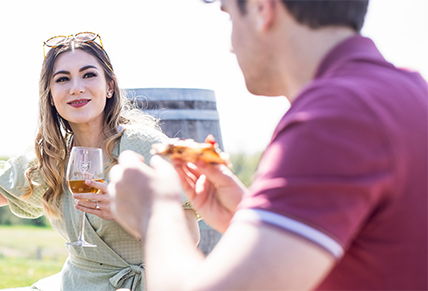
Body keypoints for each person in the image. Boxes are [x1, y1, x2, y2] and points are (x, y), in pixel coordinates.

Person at [107, 0, 428, 290]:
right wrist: (246, 216)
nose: (231, 46)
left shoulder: (335, 118)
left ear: (262, 8)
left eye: (229, 15)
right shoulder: (408, 90)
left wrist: (156, 208)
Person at [0, 32, 201, 291]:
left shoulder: (143, 146)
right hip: (76, 283)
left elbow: (189, 237)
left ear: (109, 86)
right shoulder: (52, 156)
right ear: (51, 95)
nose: (76, 87)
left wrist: (131, 213)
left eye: (88, 75)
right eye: (62, 79)